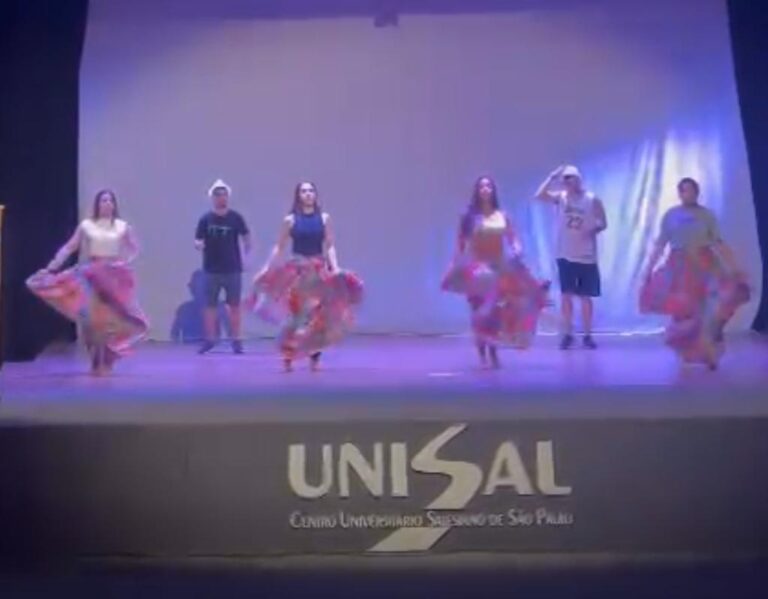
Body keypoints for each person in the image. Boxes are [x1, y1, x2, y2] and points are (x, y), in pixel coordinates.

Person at [26, 189, 149, 375]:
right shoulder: (87, 226)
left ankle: (105, 359)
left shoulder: (122, 226)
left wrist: (123, 262)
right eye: (103, 200)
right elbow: (69, 247)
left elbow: (134, 248)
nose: (107, 204)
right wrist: (52, 266)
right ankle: (95, 359)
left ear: (114, 204)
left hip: (113, 277)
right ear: (97, 204)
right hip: (91, 275)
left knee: (110, 319)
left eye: (110, 200)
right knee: (91, 320)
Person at [249, 181, 363, 372]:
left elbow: (330, 245)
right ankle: (288, 356)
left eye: (311, 191)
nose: (308, 194)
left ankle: (314, 359)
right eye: (304, 191)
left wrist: (335, 268)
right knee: (297, 316)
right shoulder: (290, 220)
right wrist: (266, 268)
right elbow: (279, 247)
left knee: (319, 317)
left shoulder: (324, 218)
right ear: (298, 196)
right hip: (298, 272)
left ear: (315, 195)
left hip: (318, 271)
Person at [640, 177, 749, 369]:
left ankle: (709, 349)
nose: (687, 194)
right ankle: (689, 353)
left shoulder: (706, 215)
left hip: (705, 264)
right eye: (683, 190)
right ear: (679, 193)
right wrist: (648, 269)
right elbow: (660, 244)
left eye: (691, 190)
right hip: (679, 267)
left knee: (711, 307)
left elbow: (718, 243)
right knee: (684, 311)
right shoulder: (671, 215)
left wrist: (735, 268)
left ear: (697, 193)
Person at [442, 176, 550, 368]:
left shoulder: (502, 215)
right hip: (476, 269)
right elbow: (460, 245)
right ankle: (482, 355)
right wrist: (453, 267)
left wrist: (517, 249)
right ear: (477, 191)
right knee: (478, 312)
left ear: (493, 190)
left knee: (495, 312)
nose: (485, 189)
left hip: (498, 268)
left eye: (488, 186)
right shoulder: (469, 217)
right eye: (482, 186)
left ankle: (493, 352)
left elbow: (513, 239)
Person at [535, 165, 607, 349]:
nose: (567, 182)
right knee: (566, 296)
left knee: (585, 297)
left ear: (578, 179)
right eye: (565, 179)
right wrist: (551, 176)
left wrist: (592, 230)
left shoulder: (591, 199)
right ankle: (567, 333)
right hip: (565, 254)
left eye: (571, 178)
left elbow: (603, 222)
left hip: (586, 255)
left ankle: (588, 334)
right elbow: (539, 196)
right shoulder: (561, 198)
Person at [195, 179, 251, 354]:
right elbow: (198, 239)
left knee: (234, 305)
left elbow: (246, 237)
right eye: (217, 195)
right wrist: (198, 245)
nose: (221, 197)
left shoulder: (236, 218)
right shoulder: (205, 219)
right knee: (210, 305)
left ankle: (236, 340)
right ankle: (210, 339)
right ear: (212, 198)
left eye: (224, 194)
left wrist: (246, 257)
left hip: (232, 268)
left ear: (228, 197)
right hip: (211, 269)